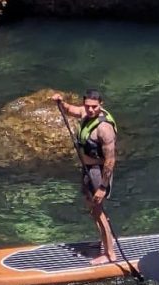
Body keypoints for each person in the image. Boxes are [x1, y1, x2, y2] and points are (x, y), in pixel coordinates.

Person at [52, 88, 119, 266]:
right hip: (87, 169)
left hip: (98, 172)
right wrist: (61, 102)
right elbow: (70, 110)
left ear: (101, 104)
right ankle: (106, 241)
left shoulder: (104, 129)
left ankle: (110, 254)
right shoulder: (85, 112)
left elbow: (110, 160)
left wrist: (103, 187)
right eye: (88, 106)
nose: (90, 110)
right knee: (92, 208)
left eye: (94, 107)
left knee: (98, 211)